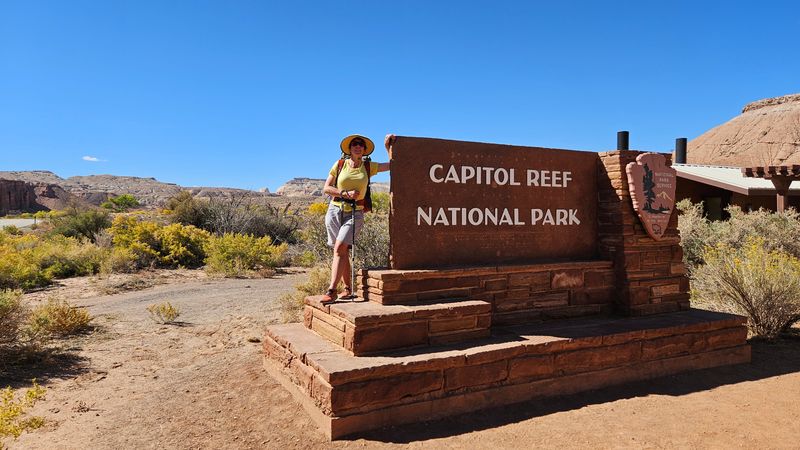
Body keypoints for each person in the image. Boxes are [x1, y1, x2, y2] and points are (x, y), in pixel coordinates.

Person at [321, 133, 394, 302]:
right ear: (349, 148)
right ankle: (346, 289)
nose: (358, 146)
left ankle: (331, 290)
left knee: (340, 247)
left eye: (361, 144)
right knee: (340, 250)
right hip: (335, 209)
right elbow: (326, 188)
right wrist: (344, 193)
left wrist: (388, 148)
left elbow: (393, 165)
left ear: (365, 149)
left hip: (356, 212)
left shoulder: (368, 167)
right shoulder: (339, 165)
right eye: (355, 143)